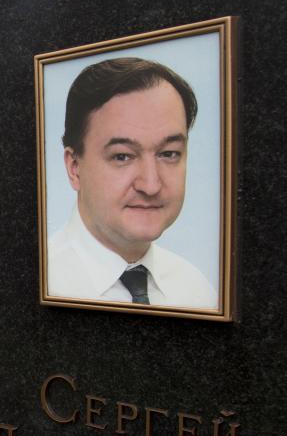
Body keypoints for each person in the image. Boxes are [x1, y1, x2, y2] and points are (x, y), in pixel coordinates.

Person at [47, 57, 216, 309]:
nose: (151, 185)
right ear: (74, 168)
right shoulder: (39, 282)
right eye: (122, 156)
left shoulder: (196, 291)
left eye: (168, 153)